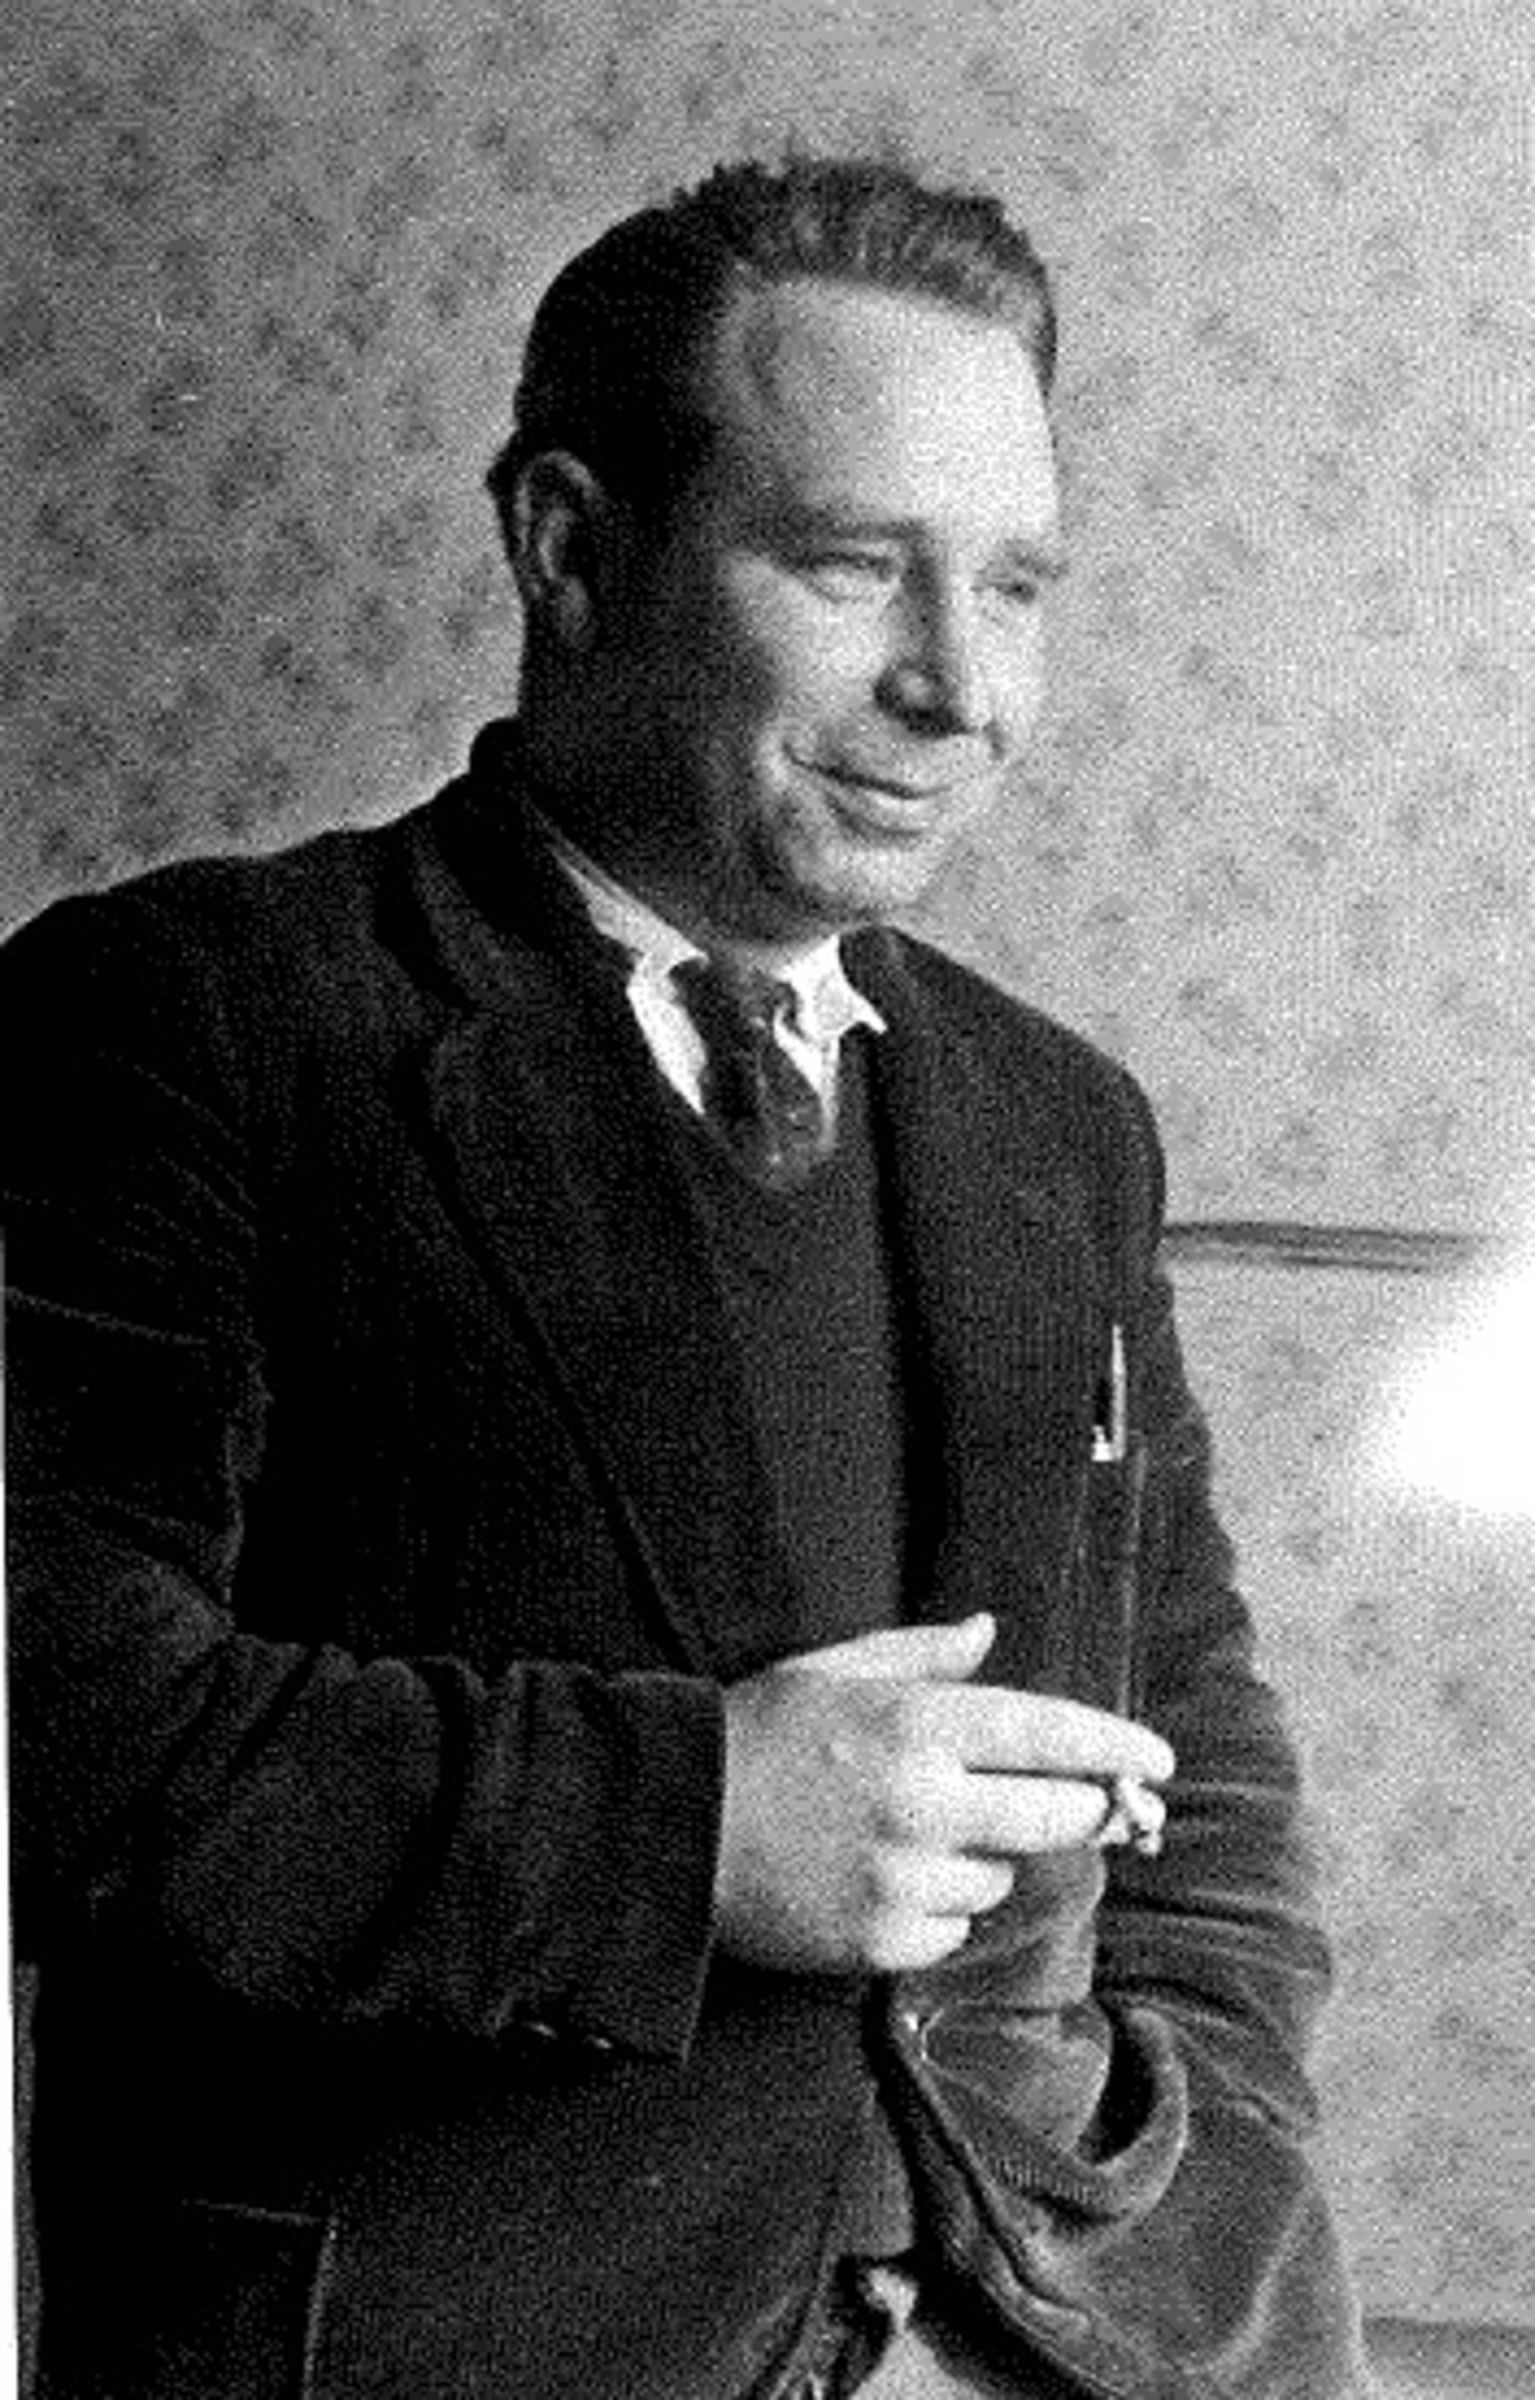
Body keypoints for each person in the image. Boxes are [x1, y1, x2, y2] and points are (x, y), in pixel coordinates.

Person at [3, 155, 1369, 2399]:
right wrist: (699, 1823)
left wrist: (1154, 2283)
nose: (960, 687)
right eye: (852, 566)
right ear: (568, 546)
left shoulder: (1061, 1124)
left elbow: (1202, 1790)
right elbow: (45, 1719)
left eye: (1016, 585)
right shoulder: (198, 1019)